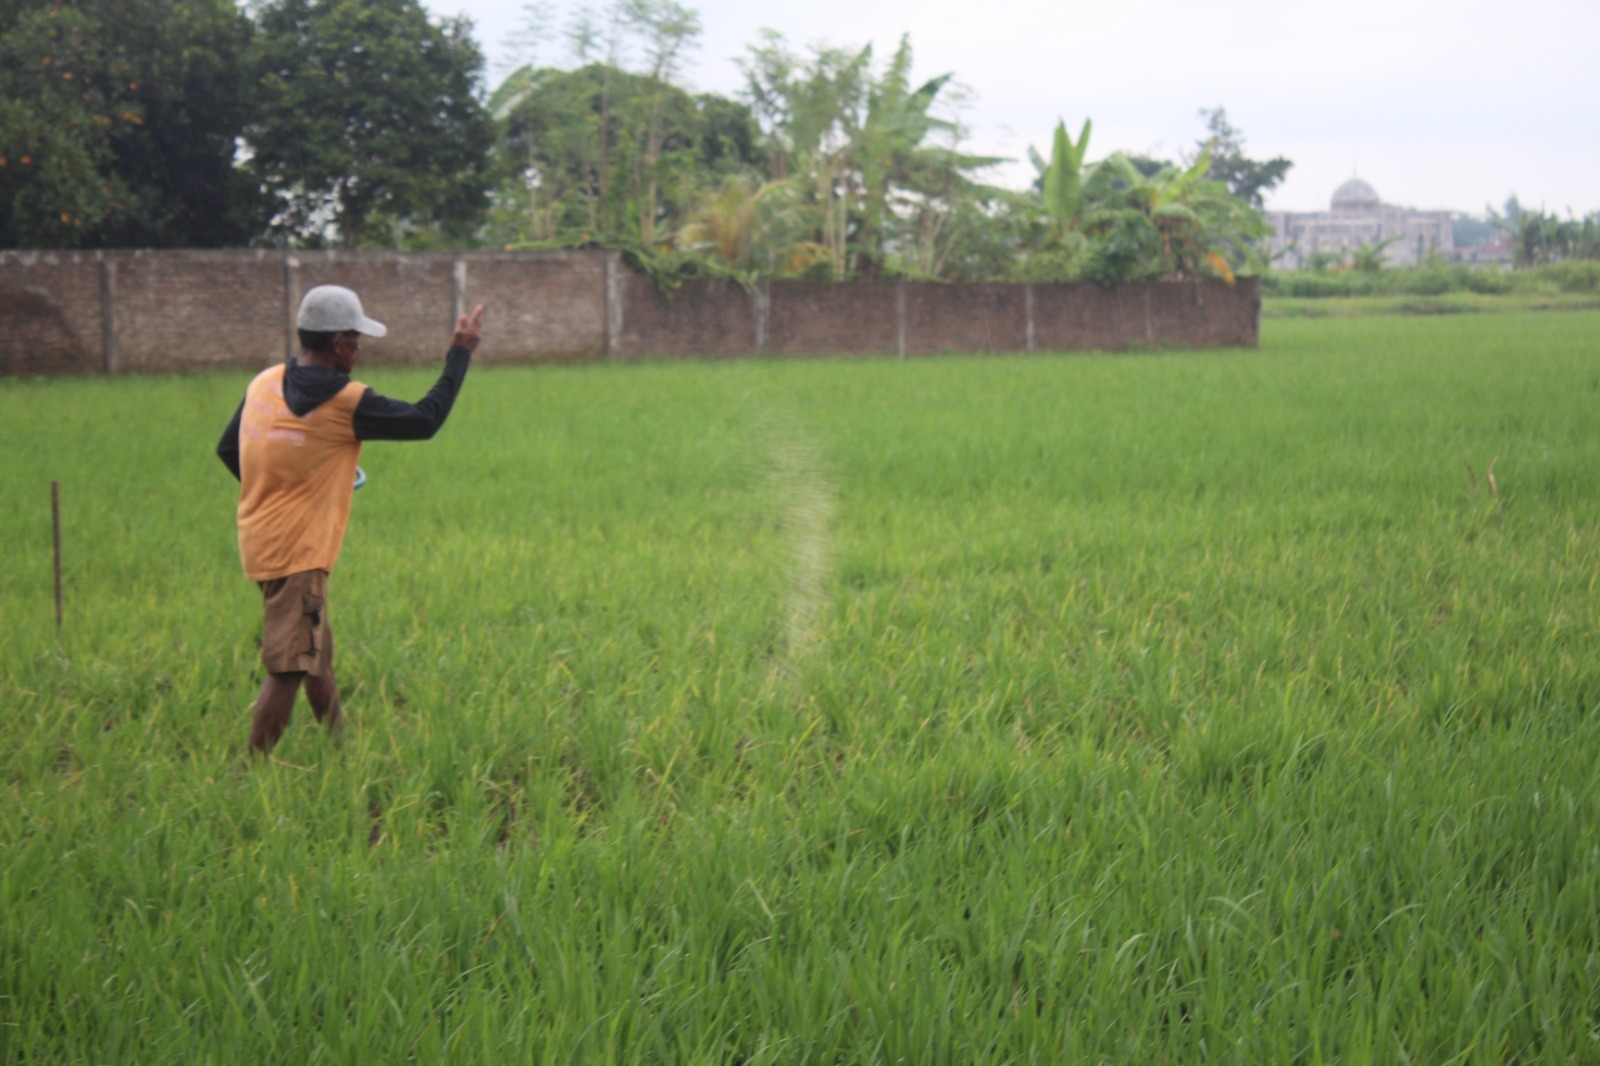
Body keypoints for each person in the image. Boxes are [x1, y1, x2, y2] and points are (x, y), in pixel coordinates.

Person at [217, 285, 485, 755]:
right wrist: (459, 354)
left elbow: (228, 449)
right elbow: (425, 420)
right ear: (339, 342)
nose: (360, 349)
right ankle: (247, 776)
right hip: (299, 552)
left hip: (260, 539)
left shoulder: (264, 382)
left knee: (316, 653)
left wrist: (283, 484)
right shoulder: (346, 401)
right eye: (357, 340)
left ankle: (341, 750)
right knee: (290, 667)